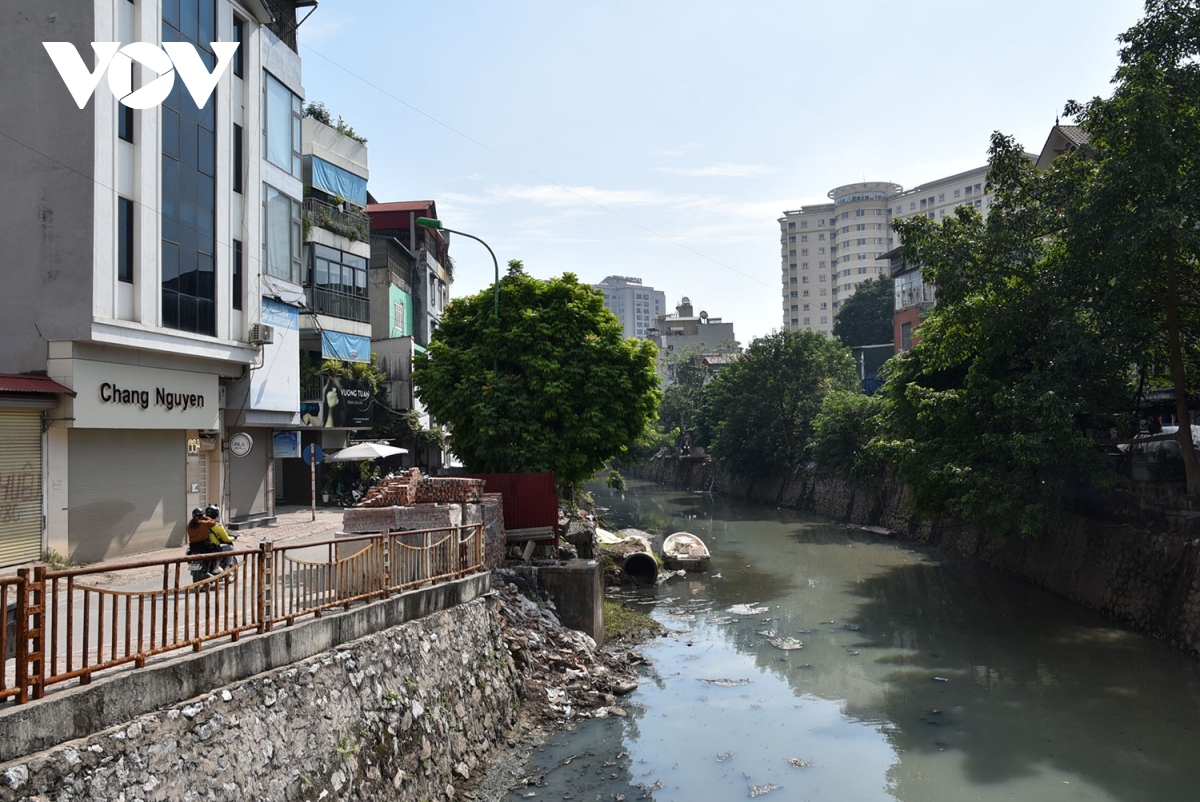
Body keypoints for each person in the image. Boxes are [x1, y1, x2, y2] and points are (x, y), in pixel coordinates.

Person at [186, 507, 223, 577]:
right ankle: (216, 567)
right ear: (202, 516)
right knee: (218, 550)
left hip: (193, 546)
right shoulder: (203, 523)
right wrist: (206, 518)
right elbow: (213, 523)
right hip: (204, 545)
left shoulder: (189, 525)